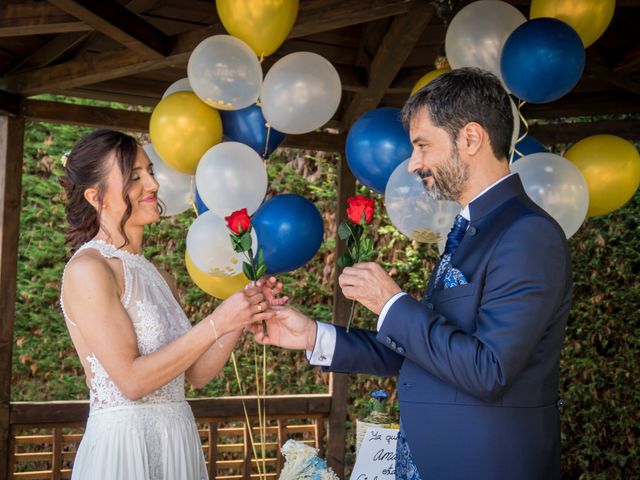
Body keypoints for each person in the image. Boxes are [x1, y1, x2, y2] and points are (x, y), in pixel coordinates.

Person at [251, 68, 572, 479]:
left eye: (422, 145)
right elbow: (425, 351)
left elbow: (488, 369)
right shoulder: (471, 230)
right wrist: (314, 335)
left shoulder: (527, 233)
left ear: (471, 138)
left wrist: (390, 303)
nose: (413, 164)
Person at [59, 129, 272, 480]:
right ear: (96, 196)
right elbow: (131, 380)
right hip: (125, 449)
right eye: (133, 177)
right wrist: (217, 321)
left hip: (177, 439)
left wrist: (239, 315)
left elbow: (196, 374)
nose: (153, 185)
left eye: (150, 171)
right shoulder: (89, 269)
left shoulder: (158, 276)